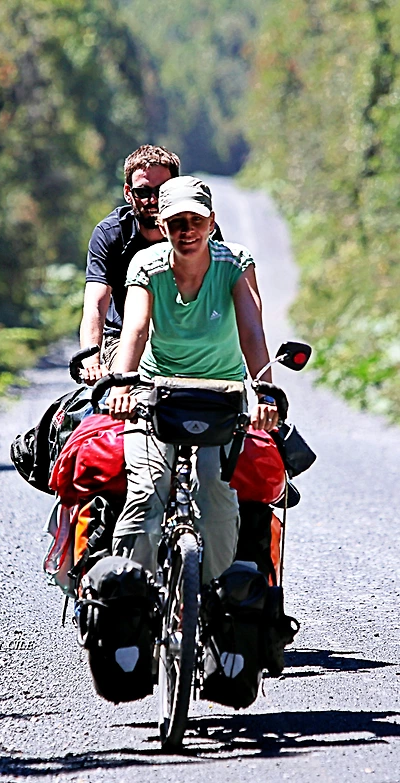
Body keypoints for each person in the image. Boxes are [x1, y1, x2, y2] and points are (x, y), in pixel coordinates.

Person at [105, 176, 280, 582]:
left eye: (196, 221)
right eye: (176, 222)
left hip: (222, 394)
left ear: (212, 222)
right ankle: (135, 595)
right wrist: (122, 386)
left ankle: (216, 595)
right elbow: (135, 330)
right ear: (162, 226)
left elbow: (252, 331)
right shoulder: (146, 266)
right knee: (147, 487)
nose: (187, 231)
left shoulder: (234, 263)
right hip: (157, 391)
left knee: (214, 489)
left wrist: (265, 394)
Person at [77, 145, 180, 385]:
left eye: (161, 191)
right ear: (128, 193)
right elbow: (95, 305)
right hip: (122, 339)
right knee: (138, 385)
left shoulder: (197, 231)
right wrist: (92, 361)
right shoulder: (110, 234)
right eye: (142, 192)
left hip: (186, 339)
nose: (152, 200)